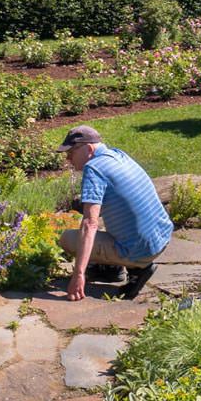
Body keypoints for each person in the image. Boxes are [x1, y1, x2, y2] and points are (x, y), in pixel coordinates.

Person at [56, 125, 172, 301]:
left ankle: (136, 267)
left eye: (71, 152)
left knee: (68, 238)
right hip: (162, 238)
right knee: (103, 220)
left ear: (88, 148)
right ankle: (113, 269)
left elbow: (90, 224)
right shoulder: (118, 155)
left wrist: (78, 274)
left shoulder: (93, 169)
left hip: (141, 250)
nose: (68, 159)